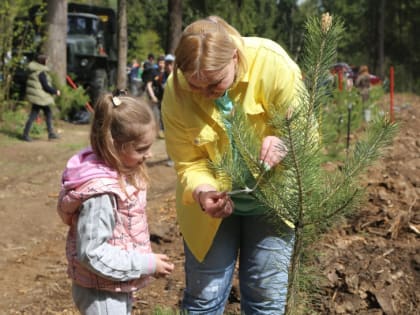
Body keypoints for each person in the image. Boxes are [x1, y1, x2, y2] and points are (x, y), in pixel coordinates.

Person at [161, 16, 304, 314]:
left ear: (235, 57)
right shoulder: (175, 92)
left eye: (215, 83)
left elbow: (306, 130)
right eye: (195, 87)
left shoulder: (272, 64)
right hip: (210, 209)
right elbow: (188, 161)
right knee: (204, 298)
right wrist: (202, 191)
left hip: (273, 200)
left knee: (265, 298)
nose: (206, 94)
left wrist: (283, 141)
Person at [57, 90, 174, 315]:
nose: (149, 155)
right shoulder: (101, 194)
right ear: (114, 146)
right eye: (141, 149)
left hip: (111, 284)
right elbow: (92, 253)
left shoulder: (116, 172)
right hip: (101, 293)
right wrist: (145, 264)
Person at [22, 54, 60, 142]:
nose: (48, 62)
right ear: (43, 61)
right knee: (34, 115)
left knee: (48, 113)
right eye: (46, 60)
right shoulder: (41, 72)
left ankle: (51, 133)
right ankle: (25, 134)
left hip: (38, 96)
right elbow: (45, 86)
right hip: (39, 97)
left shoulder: (34, 70)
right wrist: (55, 91)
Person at [143, 55, 165, 139]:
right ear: (157, 63)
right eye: (160, 62)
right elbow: (149, 85)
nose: (161, 64)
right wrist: (153, 97)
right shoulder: (153, 72)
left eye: (163, 62)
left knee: (162, 114)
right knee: (155, 115)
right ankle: (153, 131)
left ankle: (162, 131)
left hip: (164, 97)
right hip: (154, 97)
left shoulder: (166, 73)